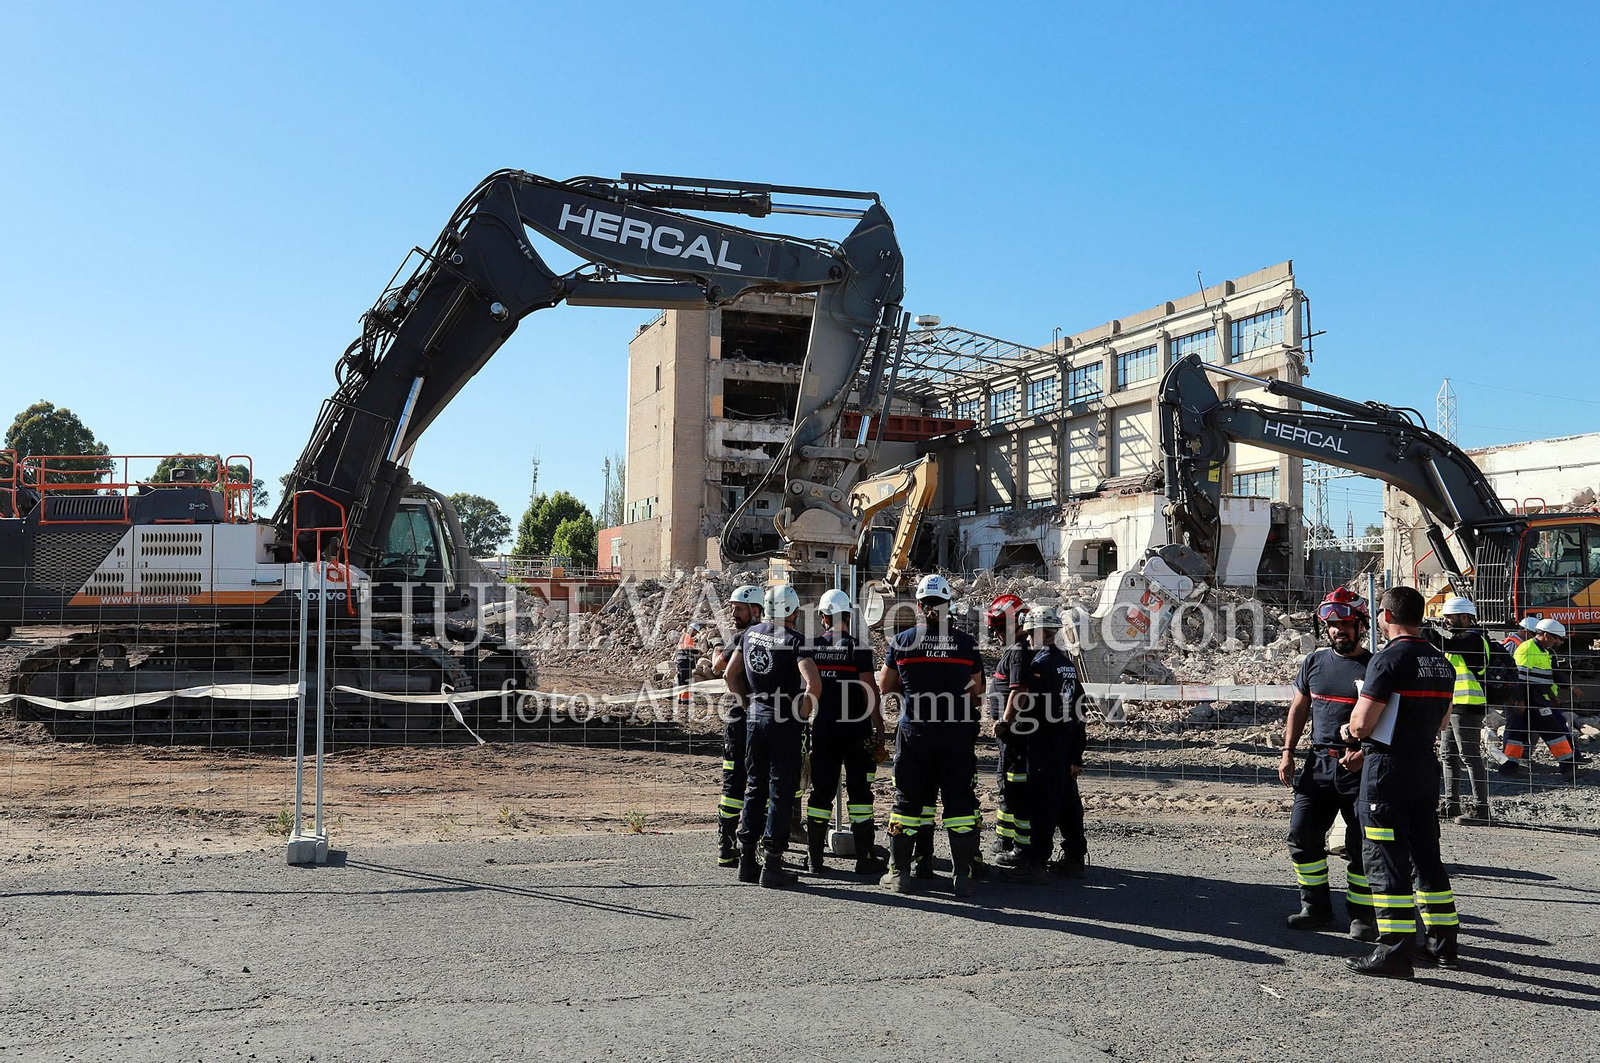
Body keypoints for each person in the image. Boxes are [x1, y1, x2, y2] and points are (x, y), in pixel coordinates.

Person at [1341, 586, 1460, 978]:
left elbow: (1362, 723)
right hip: (1424, 766)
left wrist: (1350, 732)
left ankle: (1394, 952)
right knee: (1426, 857)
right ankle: (1442, 946)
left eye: (1379, 613)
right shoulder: (1441, 662)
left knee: (1385, 858)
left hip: (1388, 770)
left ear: (1388, 616)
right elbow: (1443, 722)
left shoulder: (1388, 659)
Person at [1278, 587, 1376, 941]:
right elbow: (1299, 708)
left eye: (1346, 624)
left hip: (1359, 769)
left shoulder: (1376, 667)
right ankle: (1315, 907)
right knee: (1302, 834)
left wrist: (1364, 753)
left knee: (1361, 843)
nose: (1338, 631)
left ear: (1361, 625)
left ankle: (1362, 915)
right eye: (1332, 625)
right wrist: (1288, 751)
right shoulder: (1314, 663)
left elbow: (1388, 720)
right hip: (1318, 764)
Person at [878, 574, 986, 897]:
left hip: (916, 734)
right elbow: (976, 692)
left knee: (907, 802)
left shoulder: (902, 641)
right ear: (948, 605)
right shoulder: (966, 644)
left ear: (920, 606)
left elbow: (885, 686)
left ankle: (899, 874)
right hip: (956, 735)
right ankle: (963, 876)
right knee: (959, 803)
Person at [722, 583, 821, 888]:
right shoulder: (795, 641)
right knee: (780, 791)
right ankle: (773, 863)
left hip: (755, 720)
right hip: (783, 724)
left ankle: (747, 861)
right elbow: (813, 685)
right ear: (793, 611)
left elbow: (729, 674)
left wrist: (746, 704)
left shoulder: (749, 634)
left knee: (754, 788)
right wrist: (801, 715)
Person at [996, 606, 1086, 885]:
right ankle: (1075, 858)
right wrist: (1076, 754)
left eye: (1029, 633)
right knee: (1067, 801)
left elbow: (1024, 699)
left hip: (1045, 742)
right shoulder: (1066, 663)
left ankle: (1035, 864)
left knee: (1043, 804)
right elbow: (1080, 708)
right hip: (1066, 740)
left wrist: (1006, 723)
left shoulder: (1040, 664)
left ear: (1038, 632)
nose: (1027, 638)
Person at [803, 589, 887, 876]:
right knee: (860, 794)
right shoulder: (859, 650)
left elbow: (806, 691)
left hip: (824, 731)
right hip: (857, 733)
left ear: (823, 617)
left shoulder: (812, 649)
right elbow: (869, 690)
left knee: (821, 794)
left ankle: (814, 859)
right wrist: (879, 726)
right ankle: (864, 858)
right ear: (848, 617)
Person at [1430, 596, 1514, 825]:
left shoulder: (1473, 639)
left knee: (1469, 757)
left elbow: (1444, 644)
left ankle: (1481, 809)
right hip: (1455, 706)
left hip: (1468, 706)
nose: (1446, 621)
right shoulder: (1462, 639)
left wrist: (1424, 628)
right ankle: (1451, 804)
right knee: (1448, 755)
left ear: (1466, 617)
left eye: (1451, 617)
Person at [712, 584, 764, 867]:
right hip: (763, 719)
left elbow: (720, 667)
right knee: (757, 781)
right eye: (733, 609)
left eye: (739, 609)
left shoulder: (743, 638)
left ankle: (727, 845)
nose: (734, 614)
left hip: (740, 718)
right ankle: (757, 845)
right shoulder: (769, 637)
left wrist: (716, 648)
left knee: (734, 783)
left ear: (755, 611)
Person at [1503, 617, 1578, 782]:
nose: (1558, 642)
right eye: (1556, 638)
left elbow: (1545, 677)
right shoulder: (1527, 649)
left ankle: (1568, 768)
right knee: (1519, 734)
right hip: (1524, 700)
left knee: (1548, 731)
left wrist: (1552, 696)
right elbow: (1520, 678)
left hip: (1536, 699)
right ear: (1546, 635)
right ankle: (1509, 768)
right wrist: (1520, 701)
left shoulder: (1544, 651)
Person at [983, 594, 1029, 863]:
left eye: (1000, 627)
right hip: (1011, 734)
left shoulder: (1019, 652)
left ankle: (1016, 846)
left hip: (1013, 735)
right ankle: (1004, 838)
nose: (996, 634)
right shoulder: (1016, 650)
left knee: (1012, 787)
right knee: (1006, 786)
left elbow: (1018, 690)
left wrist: (1004, 721)